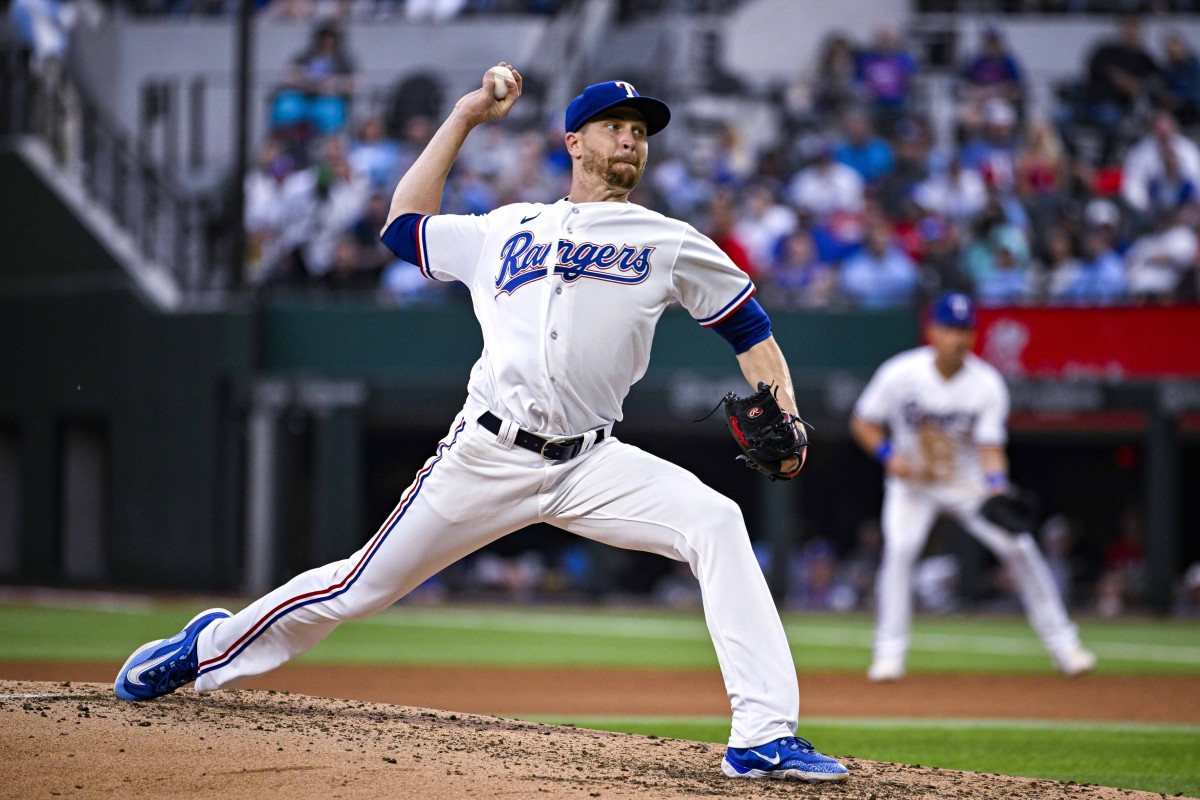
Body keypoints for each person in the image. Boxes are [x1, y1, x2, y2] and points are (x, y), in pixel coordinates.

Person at [112, 67, 849, 784]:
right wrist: (464, 118)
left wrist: (784, 410)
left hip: (592, 462)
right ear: (574, 143)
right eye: (613, 128)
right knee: (356, 588)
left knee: (716, 521)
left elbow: (750, 329)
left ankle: (762, 737)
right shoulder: (506, 227)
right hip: (487, 454)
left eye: (639, 132)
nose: (629, 140)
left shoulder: (667, 239)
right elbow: (403, 228)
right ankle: (207, 647)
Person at [849, 291, 1096, 683]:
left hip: (967, 485)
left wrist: (997, 486)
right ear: (933, 331)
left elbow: (991, 448)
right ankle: (889, 655)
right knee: (901, 550)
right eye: (951, 328)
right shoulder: (901, 373)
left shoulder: (986, 383)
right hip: (913, 483)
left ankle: (1066, 646)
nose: (959, 338)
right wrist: (888, 455)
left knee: (1020, 547)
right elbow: (863, 420)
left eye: (966, 330)